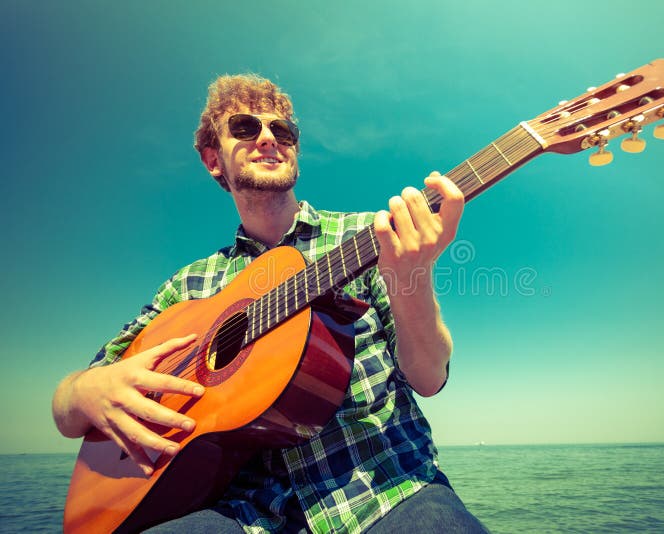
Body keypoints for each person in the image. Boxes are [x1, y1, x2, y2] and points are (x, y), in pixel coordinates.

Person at [52, 74, 489, 533]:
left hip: (390, 493)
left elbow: (429, 377)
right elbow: (68, 407)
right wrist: (83, 392)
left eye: (283, 131)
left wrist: (410, 280)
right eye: (244, 128)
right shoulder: (188, 287)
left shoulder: (369, 235)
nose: (267, 138)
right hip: (241, 514)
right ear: (212, 159)